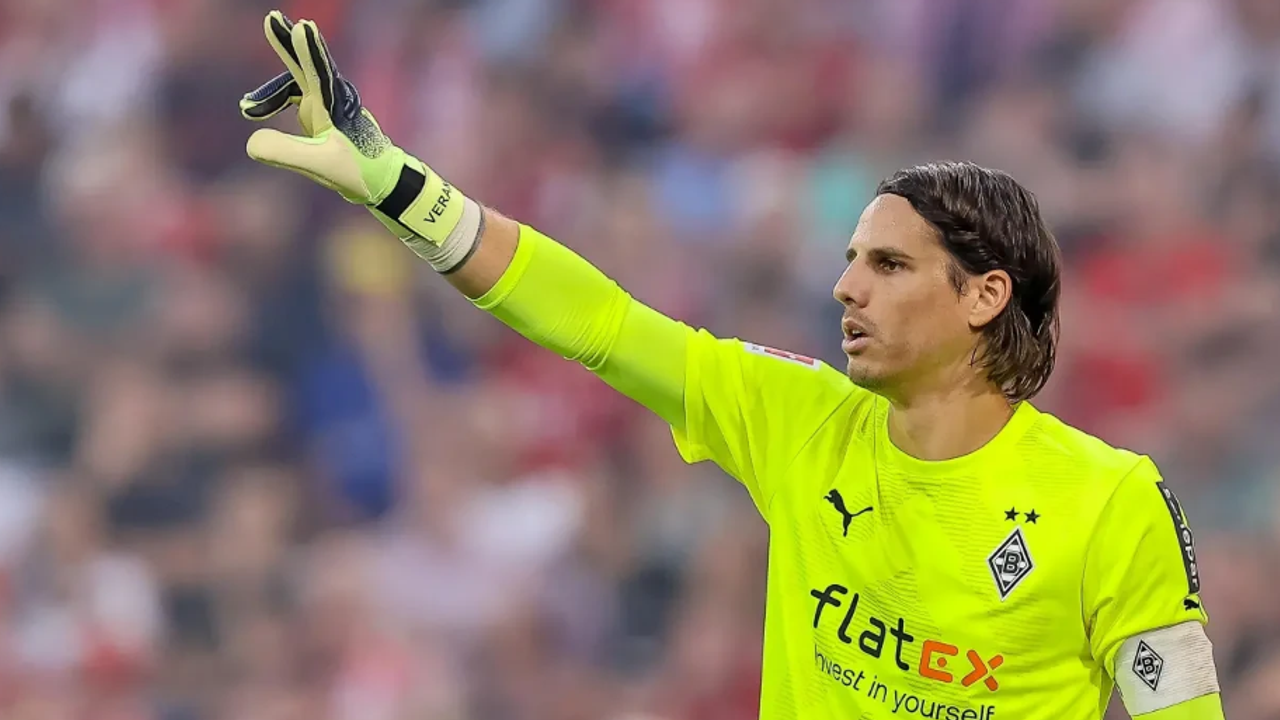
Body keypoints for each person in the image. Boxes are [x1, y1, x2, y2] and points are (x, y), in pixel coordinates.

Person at [238, 12, 1225, 719]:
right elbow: (600, 323)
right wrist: (398, 187)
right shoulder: (795, 416)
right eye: (849, 261)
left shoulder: (1110, 501)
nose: (846, 288)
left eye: (888, 266)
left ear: (983, 296)